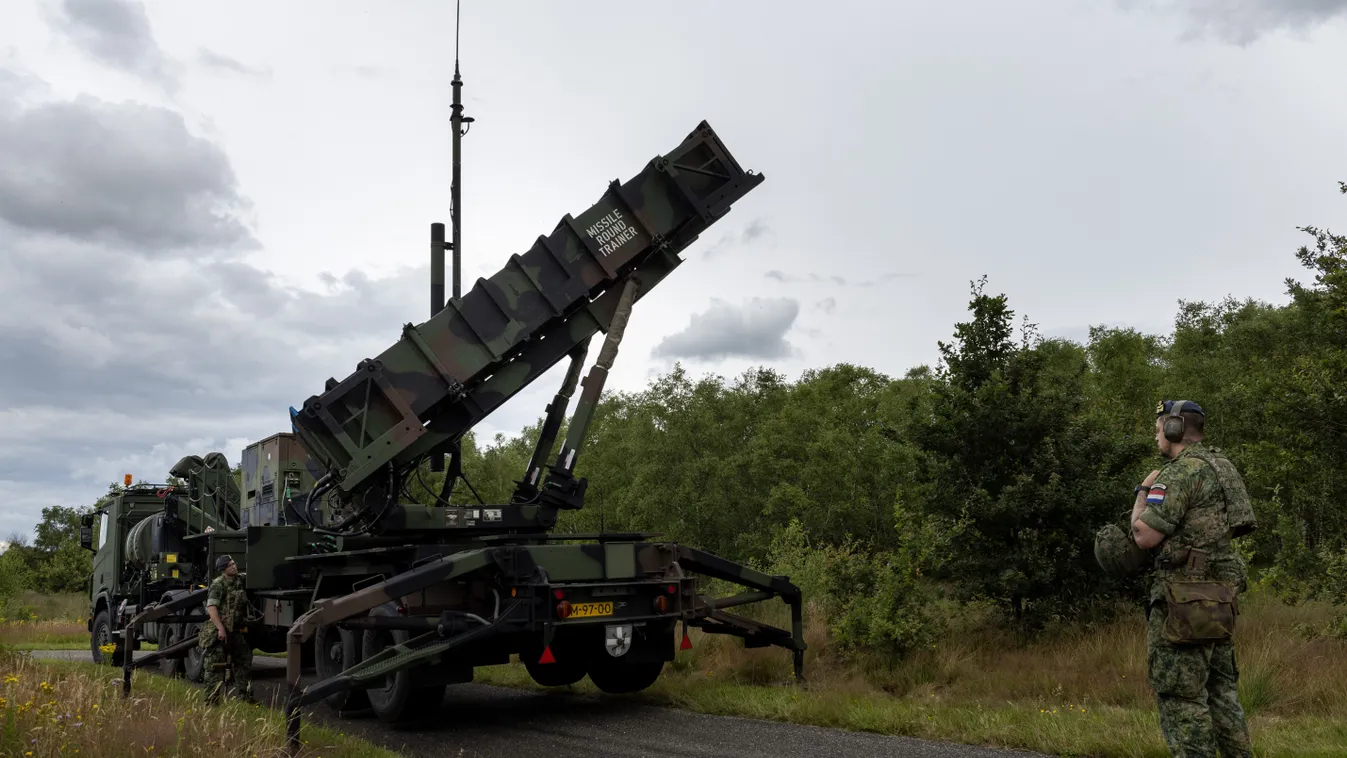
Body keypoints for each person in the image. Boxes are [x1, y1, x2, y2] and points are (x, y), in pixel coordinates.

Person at [1128, 400, 1253, 758]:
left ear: (1173, 428)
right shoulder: (1223, 467)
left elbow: (1143, 536)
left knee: (1181, 696)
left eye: (1158, 429)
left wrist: (1142, 492)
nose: (1156, 437)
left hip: (1183, 599)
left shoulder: (1179, 473)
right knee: (1221, 692)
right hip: (1221, 598)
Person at [199, 554, 254, 705]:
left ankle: (245, 697)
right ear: (223, 569)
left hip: (235, 630)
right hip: (219, 631)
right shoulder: (218, 584)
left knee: (244, 660)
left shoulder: (239, 581)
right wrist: (220, 629)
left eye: (234, 563)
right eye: (230, 565)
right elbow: (211, 608)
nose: (234, 566)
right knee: (215, 666)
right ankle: (211, 701)